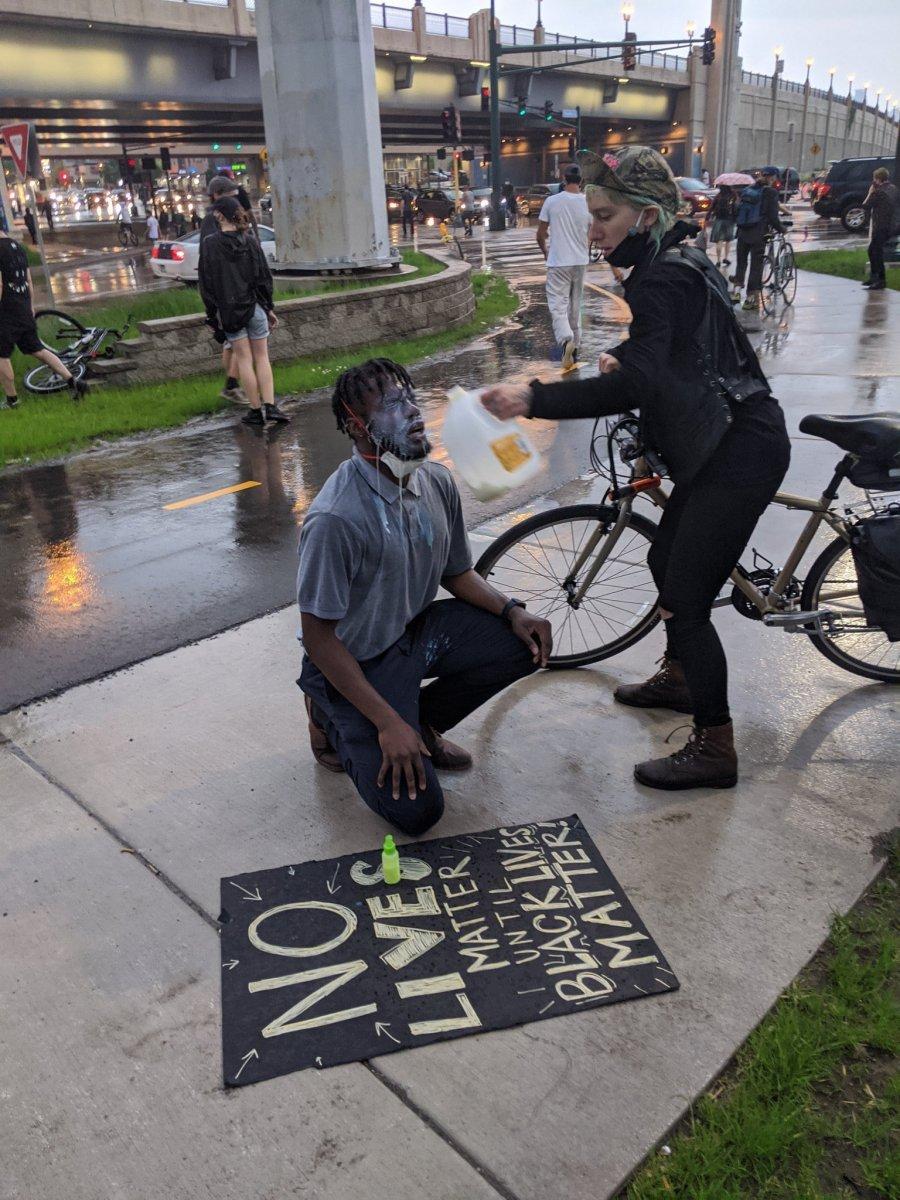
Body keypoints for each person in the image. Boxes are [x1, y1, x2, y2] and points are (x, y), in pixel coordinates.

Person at [481, 146, 791, 791]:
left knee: (687, 599)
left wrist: (532, 398)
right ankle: (680, 678)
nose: (594, 229)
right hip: (727, 438)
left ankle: (715, 746)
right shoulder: (682, 259)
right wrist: (631, 354)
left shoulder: (662, 277)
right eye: (592, 215)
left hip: (735, 450)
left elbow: (643, 378)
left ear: (646, 217)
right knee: (662, 561)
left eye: (605, 215)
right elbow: (681, 344)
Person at [296, 358, 552, 835]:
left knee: (524, 643)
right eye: (393, 405)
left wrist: (513, 610)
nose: (413, 412)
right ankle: (327, 715)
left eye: (410, 398)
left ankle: (423, 724)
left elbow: (458, 574)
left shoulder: (433, 480)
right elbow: (319, 638)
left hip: (414, 634)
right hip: (355, 663)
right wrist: (387, 723)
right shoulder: (335, 518)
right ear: (357, 426)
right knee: (417, 814)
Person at [198, 195, 288, 427]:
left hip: (230, 312)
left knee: (244, 360)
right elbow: (263, 277)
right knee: (262, 357)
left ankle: (256, 410)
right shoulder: (250, 241)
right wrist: (268, 307)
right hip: (255, 307)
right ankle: (271, 405)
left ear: (219, 215)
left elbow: (206, 282)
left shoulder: (210, 244)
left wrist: (211, 314)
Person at [0, 226, 88, 408]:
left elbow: (0, 285)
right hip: (23, 306)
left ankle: (12, 400)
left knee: (1, 355)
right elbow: (28, 280)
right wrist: (30, 306)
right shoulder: (18, 247)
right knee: (37, 349)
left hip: (6, 309)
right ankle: (73, 381)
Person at [537, 163, 592, 371]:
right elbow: (592, 231)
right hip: (580, 260)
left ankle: (566, 340)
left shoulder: (552, 201)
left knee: (557, 305)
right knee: (575, 306)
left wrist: (545, 251)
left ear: (564, 178)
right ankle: (575, 349)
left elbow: (540, 233)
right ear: (581, 180)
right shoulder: (588, 202)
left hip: (558, 261)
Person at [199, 176, 250, 403]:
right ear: (218, 193)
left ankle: (232, 383)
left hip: (230, 289)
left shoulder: (226, 214)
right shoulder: (214, 219)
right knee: (240, 340)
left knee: (232, 343)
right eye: (230, 193)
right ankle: (232, 385)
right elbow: (211, 257)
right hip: (229, 290)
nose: (234, 197)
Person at [730, 167, 786, 311]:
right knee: (756, 266)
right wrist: (781, 229)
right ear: (773, 177)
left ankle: (736, 293)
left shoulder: (747, 190)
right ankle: (750, 300)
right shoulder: (770, 192)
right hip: (758, 233)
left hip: (742, 232)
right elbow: (773, 217)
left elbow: (737, 210)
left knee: (741, 262)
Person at [862, 167, 898, 292]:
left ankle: (880, 280)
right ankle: (874, 277)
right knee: (872, 250)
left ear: (877, 179)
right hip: (890, 226)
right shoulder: (893, 189)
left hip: (881, 226)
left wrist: (870, 192)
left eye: (874, 178)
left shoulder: (878, 193)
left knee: (876, 252)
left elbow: (865, 206)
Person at [707, 183, 737, 271]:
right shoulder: (733, 195)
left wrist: (707, 218)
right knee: (728, 240)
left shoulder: (718, 196)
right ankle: (726, 258)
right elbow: (736, 207)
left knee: (719, 240)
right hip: (729, 220)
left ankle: (718, 260)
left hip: (719, 219)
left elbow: (712, 207)